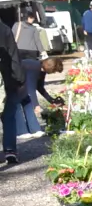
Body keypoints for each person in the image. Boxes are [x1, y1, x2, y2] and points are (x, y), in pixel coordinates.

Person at [14, 9, 56, 138]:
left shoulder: (17, 25)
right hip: (27, 57)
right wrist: (43, 52)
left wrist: (50, 100)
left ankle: (32, 129)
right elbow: (31, 88)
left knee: (24, 97)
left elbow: (37, 87)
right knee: (18, 99)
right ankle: (23, 130)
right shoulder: (33, 29)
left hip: (18, 54)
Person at [0, 18, 21, 164]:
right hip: (8, 78)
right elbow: (14, 55)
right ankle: (10, 150)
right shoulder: (5, 29)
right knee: (9, 117)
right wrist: (19, 79)